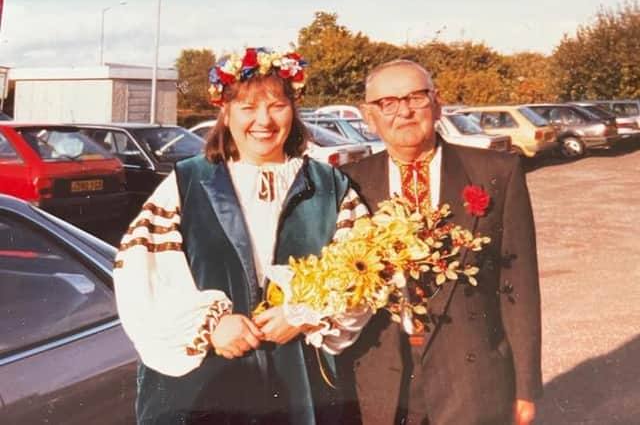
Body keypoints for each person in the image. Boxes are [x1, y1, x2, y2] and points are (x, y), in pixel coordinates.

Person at [113, 47, 370, 425]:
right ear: (225, 112)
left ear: (293, 109)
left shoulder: (329, 186)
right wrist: (211, 326)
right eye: (248, 108)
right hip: (207, 382)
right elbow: (139, 274)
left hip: (302, 383)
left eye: (276, 105)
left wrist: (303, 314)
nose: (263, 120)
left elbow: (363, 273)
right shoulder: (187, 182)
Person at [340, 59, 542, 425]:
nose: (403, 111)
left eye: (415, 97)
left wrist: (526, 386)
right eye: (388, 103)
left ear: (437, 103)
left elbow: (519, 286)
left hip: (473, 376)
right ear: (368, 116)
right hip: (383, 376)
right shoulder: (346, 184)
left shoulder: (496, 172)